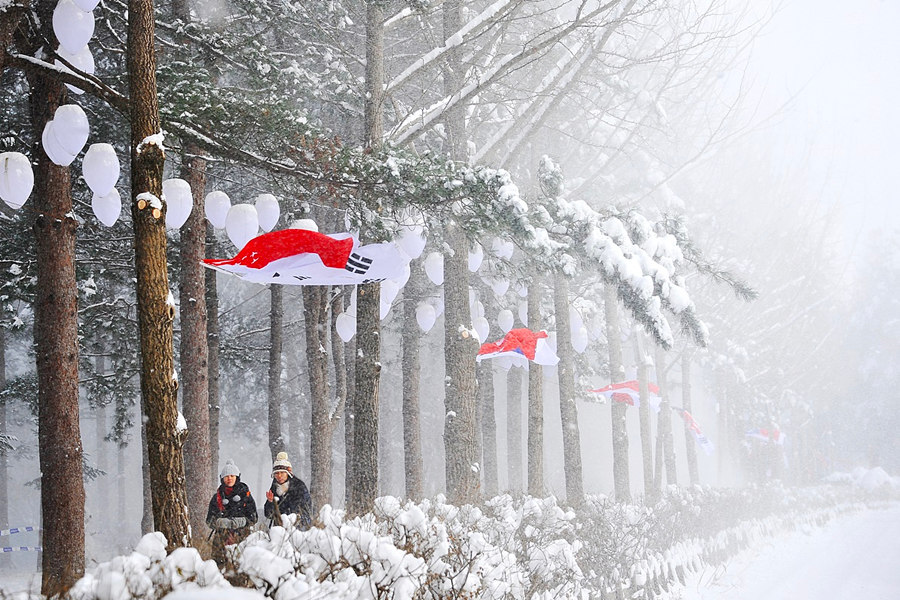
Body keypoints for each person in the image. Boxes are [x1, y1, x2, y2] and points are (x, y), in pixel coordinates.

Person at [207, 459, 258, 566]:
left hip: (242, 538)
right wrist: (220, 522)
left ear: (237, 477)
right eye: (226, 476)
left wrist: (242, 521)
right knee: (219, 567)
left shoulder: (246, 495)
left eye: (232, 476)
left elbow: (254, 517)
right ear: (222, 478)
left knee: (241, 566)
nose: (229, 478)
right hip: (221, 540)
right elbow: (209, 521)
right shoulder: (217, 497)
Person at [264, 451, 312, 529]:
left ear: (288, 473)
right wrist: (270, 502)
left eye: (282, 473)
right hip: (279, 530)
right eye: (277, 473)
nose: (279, 476)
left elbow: (306, 510)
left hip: (298, 528)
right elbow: (268, 515)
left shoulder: (299, 486)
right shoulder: (274, 488)